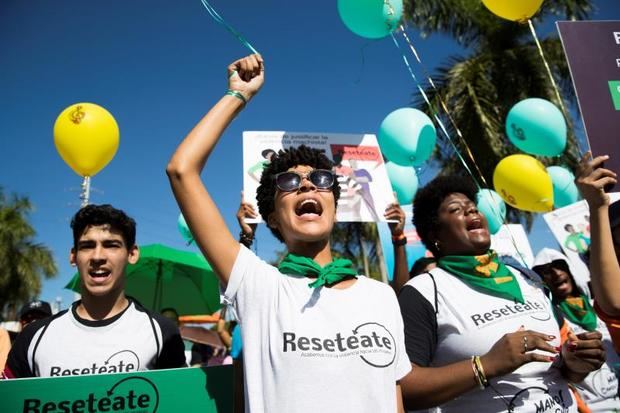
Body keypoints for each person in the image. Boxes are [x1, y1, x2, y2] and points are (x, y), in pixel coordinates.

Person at [166, 54, 410, 412]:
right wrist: (238, 95)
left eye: (322, 180)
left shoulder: (382, 297)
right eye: (290, 182)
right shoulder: (259, 286)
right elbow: (181, 169)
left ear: (334, 205)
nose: (308, 186)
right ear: (272, 218)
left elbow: (394, 399)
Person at [398, 175, 605, 412]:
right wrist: (485, 365)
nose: (471, 212)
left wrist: (577, 362)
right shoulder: (423, 291)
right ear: (435, 234)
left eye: (474, 207)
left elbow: (564, 371)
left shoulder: (529, 280)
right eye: (456, 209)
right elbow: (403, 388)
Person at [3, 204, 186, 378]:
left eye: (111, 245)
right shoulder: (33, 337)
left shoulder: (162, 332)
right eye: (87, 246)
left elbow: (179, 401)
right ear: (73, 256)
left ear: (132, 254)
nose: (97, 257)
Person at [533, 248, 620, 412]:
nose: (557, 274)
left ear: (570, 271)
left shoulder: (601, 307)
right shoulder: (551, 320)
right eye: (547, 272)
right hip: (594, 407)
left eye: (560, 266)